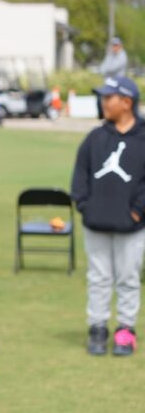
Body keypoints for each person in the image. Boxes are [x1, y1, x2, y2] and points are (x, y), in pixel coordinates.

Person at [71, 76, 145, 356]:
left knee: (128, 277)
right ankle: (98, 327)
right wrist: (84, 204)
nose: (103, 102)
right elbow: (81, 175)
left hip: (132, 226)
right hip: (96, 222)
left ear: (127, 102)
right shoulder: (96, 137)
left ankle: (126, 330)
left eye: (108, 97)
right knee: (99, 277)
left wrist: (139, 210)